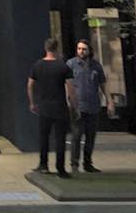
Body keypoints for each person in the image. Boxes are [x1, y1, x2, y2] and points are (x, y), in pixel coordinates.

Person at [27, 38, 76, 179]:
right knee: (60, 138)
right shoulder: (63, 66)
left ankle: (43, 165)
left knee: (44, 137)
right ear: (57, 48)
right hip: (60, 106)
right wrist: (74, 106)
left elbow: (30, 84)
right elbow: (71, 89)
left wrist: (32, 102)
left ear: (45, 48)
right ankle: (60, 168)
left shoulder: (38, 65)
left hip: (44, 106)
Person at [67, 39, 115, 173]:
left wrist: (110, 102)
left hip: (93, 105)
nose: (81, 51)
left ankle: (88, 163)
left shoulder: (96, 66)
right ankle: (74, 164)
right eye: (79, 49)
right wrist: (71, 103)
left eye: (84, 49)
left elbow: (103, 85)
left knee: (90, 136)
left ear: (89, 51)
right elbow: (68, 85)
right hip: (78, 106)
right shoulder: (71, 64)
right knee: (76, 135)